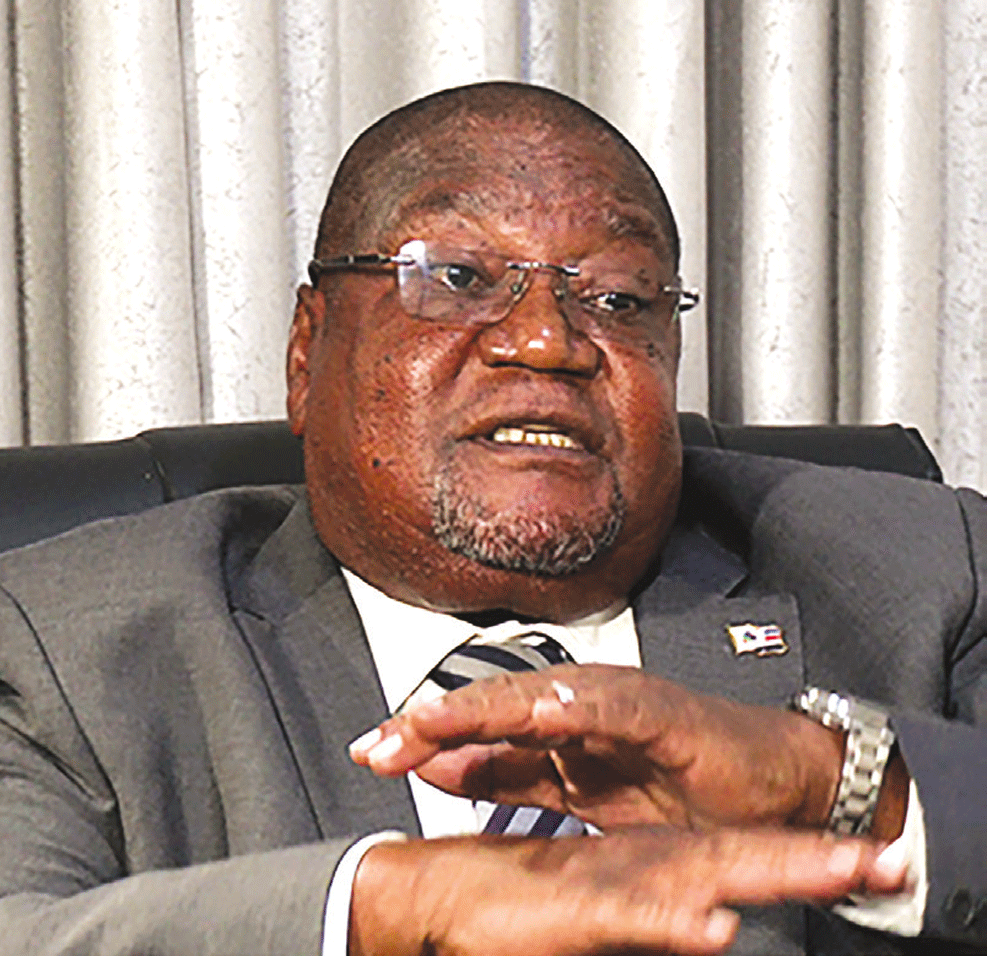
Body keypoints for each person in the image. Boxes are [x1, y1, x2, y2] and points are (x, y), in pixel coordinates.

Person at [0, 81, 984, 956]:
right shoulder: (67, 651)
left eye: (617, 297)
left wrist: (834, 782)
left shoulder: (919, 573)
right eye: (457, 277)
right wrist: (386, 908)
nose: (548, 340)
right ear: (307, 353)